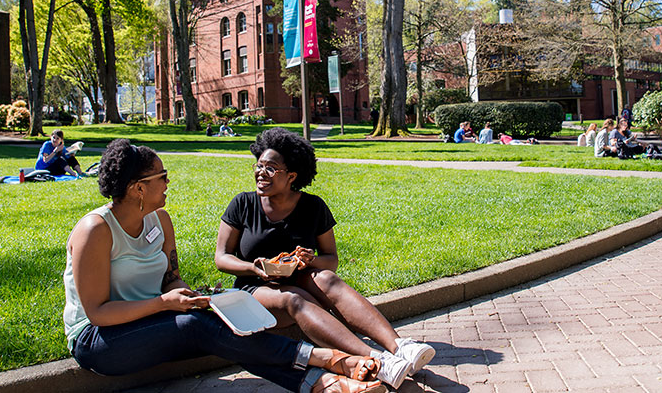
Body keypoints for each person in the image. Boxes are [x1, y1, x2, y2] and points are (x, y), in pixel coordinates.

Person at [63, 139, 386, 393]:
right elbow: (98, 313)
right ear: (138, 187)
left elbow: (171, 279)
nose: (168, 181)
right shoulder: (96, 230)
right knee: (196, 326)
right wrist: (164, 303)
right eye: (161, 176)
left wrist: (187, 295)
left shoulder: (160, 219)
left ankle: (321, 383)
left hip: (154, 322)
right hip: (99, 340)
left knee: (224, 323)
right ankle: (324, 359)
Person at [215, 128, 435, 389]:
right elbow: (222, 258)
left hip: (302, 279)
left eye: (271, 168)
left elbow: (331, 260)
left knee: (327, 278)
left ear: (292, 176)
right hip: (255, 288)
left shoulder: (313, 207)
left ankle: (400, 347)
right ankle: (377, 360)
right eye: (259, 165)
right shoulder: (243, 204)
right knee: (294, 297)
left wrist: (311, 261)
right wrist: (254, 268)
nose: (261, 173)